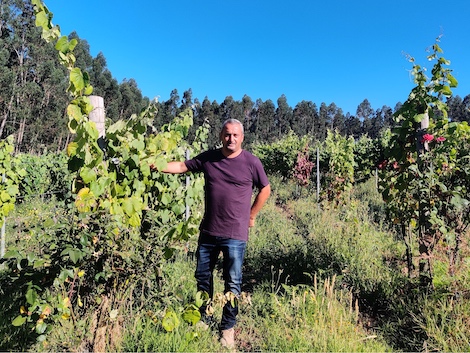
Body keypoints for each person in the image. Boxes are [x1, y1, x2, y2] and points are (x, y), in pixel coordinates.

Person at [158, 118, 270, 349]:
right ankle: (203, 316)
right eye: (227, 134)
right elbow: (181, 167)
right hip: (208, 230)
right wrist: (156, 164)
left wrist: (251, 215)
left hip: (235, 234)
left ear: (242, 137)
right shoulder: (209, 158)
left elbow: (265, 189)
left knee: (233, 283)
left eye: (235, 135)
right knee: (203, 277)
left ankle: (227, 329)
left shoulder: (251, 162)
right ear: (221, 136)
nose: (231, 139)